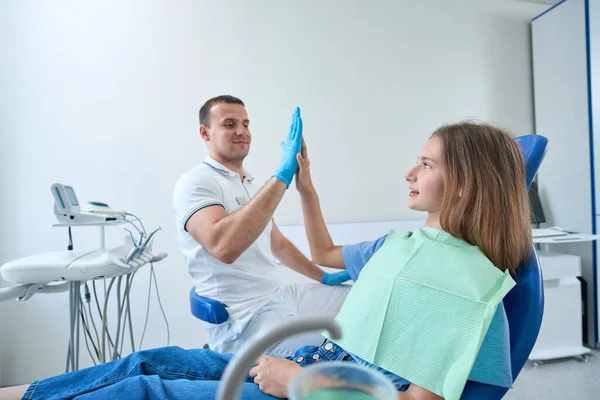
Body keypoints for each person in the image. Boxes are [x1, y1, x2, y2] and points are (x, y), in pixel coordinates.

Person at [1, 121, 532, 400]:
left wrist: (298, 382)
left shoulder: (467, 286)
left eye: (425, 163)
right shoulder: (397, 245)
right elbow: (324, 254)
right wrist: (304, 183)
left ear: (464, 181)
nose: (408, 173)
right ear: (206, 133)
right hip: (309, 364)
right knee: (149, 360)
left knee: (144, 391)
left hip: (318, 385)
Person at [172, 95, 351, 357]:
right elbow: (223, 246)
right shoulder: (196, 183)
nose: (241, 131)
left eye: (246, 124)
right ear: (205, 132)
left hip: (280, 296)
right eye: (229, 124)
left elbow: (277, 244)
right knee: (348, 342)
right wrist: (282, 176)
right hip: (245, 322)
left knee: (370, 301)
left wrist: (322, 276)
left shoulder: (250, 186)